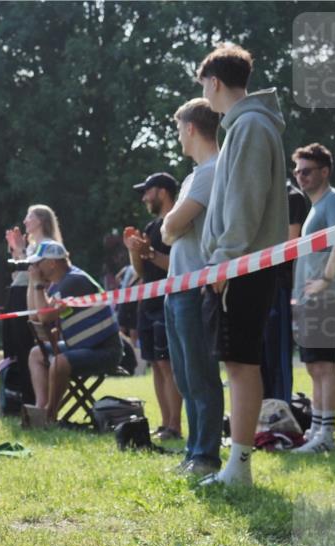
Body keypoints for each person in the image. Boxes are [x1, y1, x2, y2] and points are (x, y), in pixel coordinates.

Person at [197, 43, 289, 487]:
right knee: (237, 363)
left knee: (241, 364)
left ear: (214, 82)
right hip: (240, 265)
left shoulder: (250, 125)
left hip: (240, 267)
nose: (205, 95)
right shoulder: (247, 125)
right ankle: (238, 464)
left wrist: (222, 260)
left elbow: (244, 204)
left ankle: (239, 467)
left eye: (204, 86)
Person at [160, 97, 224, 478]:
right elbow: (168, 231)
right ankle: (193, 452)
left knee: (200, 375)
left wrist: (172, 224)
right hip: (177, 287)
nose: (178, 137)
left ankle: (206, 456)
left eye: (178, 129)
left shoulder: (212, 171)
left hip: (195, 287)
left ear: (191, 128)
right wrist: (172, 224)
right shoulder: (191, 177)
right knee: (185, 377)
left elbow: (171, 225)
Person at [290, 143, 335, 454]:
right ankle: (316, 430)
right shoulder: (314, 206)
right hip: (308, 299)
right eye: (297, 171)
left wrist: (326, 279)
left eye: (307, 171)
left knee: (325, 364)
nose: (300, 176)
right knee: (314, 366)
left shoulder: (334, 200)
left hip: (325, 297)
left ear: (324, 171)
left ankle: (326, 435)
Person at [27, 242, 121, 422]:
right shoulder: (60, 283)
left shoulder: (73, 281)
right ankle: (40, 408)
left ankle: (49, 415)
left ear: (52, 263)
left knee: (60, 362)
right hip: (82, 346)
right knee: (36, 354)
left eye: (38, 263)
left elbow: (44, 317)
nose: (35, 267)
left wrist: (38, 284)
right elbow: (35, 315)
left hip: (105, 350)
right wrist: (33, 283)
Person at [126, 172, 183, 440]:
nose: (144, 198)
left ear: (162, 192)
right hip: (147, 305)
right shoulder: (150, 227)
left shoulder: (177, 224)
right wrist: (134, 251)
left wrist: (149, 252)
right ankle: (164, 423)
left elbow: (177, 266)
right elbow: (142, 271)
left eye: (147, 192)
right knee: (156, 365)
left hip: (167, 303)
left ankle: (175, 426)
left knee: (167, 364)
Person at [3, 205, 65, 409]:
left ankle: (33, 399)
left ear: (41, 220)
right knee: (17, 348)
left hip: (33, 300)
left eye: (29, 217)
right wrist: (17, 251)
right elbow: (19, 275)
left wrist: (21, 252)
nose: (25, 221)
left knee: (27, 346)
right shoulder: (32, 246)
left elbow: (42, 277)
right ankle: (20, 397)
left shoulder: (48, 246)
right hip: (19, 296)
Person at [261, 180, 310, 403]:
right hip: (257, 285)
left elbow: (290, 242)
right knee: (259, 357)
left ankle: (281, 409)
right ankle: (262, 411)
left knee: (277, 355)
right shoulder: (262, 194)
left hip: (278, 284)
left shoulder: (292, 196)